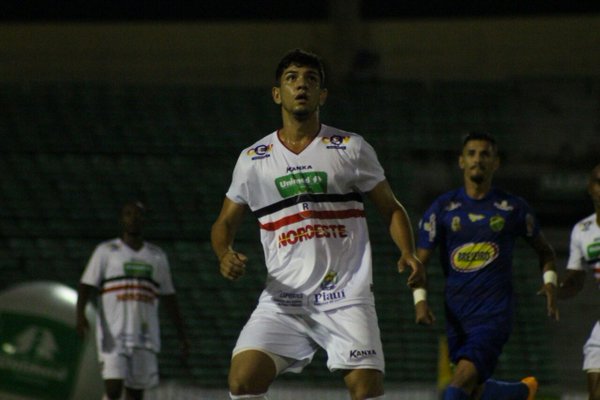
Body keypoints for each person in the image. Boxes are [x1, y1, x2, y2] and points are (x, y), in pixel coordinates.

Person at [211, 48, 430, 400]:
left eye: (310, 79)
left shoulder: (350, 148)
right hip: (284, 301)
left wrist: (408, 252)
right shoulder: (253, 160)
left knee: (366, 390)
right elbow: (224, 222)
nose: (301, 85)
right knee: (242, 381)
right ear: (277, 93)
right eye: (292, 78)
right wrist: (224, 253)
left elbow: (391, 208)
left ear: (322, 95)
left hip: (345, 297)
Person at [415, 131, 559, 400]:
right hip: (457, 317)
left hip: (493, 315)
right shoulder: (442, 208)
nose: (477, 159)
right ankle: (521, 392)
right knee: (473, 390)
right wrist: (420, 301)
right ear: (461, 161)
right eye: (471, 154)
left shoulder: (512, 208)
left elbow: (545, 252)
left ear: (496, 162)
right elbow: (418, 264)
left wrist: (550, 282)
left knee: (456, 387)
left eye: (485, 154)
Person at [76, 201, 189, 400]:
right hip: (113, 334)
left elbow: (169, 296)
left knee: (135, 393)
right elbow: (86, 285)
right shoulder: (106, 251)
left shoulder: (156, 255)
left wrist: (182, 334)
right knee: (113, 388)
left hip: (144, 335)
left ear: (144, 220)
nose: (133, 218)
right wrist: (80, 315)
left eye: (138, 214)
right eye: (128, 214)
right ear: (122, 219)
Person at [558, 163, 600, 399]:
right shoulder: (582, 231)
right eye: (599, 182)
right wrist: (557, 289)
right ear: (590, 188)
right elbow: (575, 279)